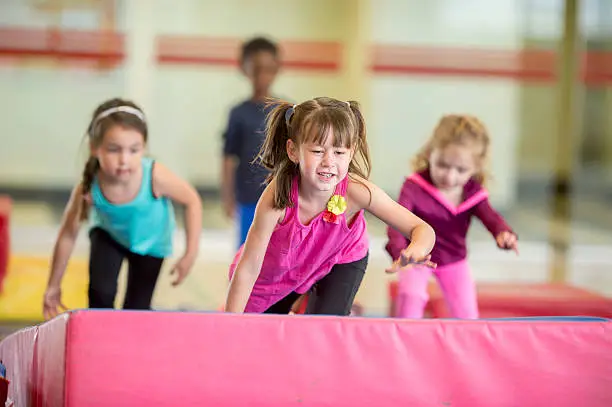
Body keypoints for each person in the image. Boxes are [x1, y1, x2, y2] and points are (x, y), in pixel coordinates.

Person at [225, 97, 436, 315]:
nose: (328, 161)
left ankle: (334, 310)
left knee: (323, 328)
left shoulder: (357, 191)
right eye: (317, 151)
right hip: (280, 271)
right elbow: (249, 267)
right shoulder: (278, 196)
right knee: (259, 331)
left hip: (341, 258)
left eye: (339, 152)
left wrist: (416, 249)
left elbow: (422, 229)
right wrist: (231, 323)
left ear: (351, 152)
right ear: (293, 151)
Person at [42, 98, 202, 319]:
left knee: (135, 310)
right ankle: (97, 343)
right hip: (110, 236)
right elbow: (68, 234)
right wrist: (53, 285)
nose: (124, 160)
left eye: (134, 150)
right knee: (100, 294)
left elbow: (192, 200)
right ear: (95, 149)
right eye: (114, 149)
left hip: (151, 242)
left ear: (143, 148)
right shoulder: (89, 186)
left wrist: (190, 253)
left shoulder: (155, 176)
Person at [386, 114, 518, 319]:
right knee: (411, 297)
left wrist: (503, 234)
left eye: (461, 170)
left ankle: (467, 346)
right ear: (430, 153)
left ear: (476, 167)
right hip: (417, 256)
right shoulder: (414, 187)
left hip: (454, 260)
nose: (450, 176)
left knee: (466, 313)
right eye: (442, 165)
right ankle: (405, 341)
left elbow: (491, 218)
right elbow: (396, 221)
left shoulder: (473, 193)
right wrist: (400, 253)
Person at [221, 36, 281, 247]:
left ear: (276, 69)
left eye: (268, 69)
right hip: (247, 198)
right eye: (256, 69)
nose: (262, 75)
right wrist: (228, 197)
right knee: (246, 252)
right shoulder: (238, 113)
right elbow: (228, 157)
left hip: (279, 198)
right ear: (245, 69)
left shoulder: (286, 111)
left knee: (276, 253)